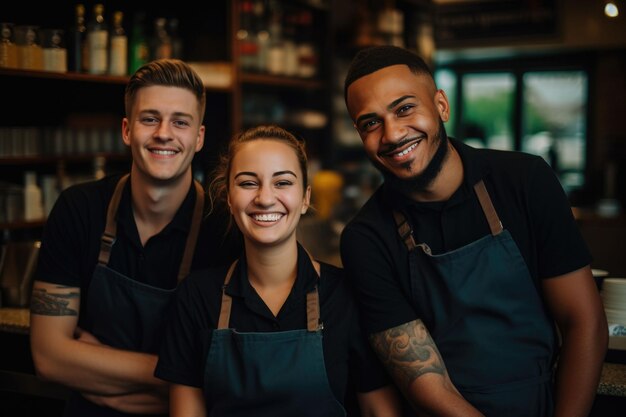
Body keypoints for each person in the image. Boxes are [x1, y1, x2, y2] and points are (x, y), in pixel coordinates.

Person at [340, 45, 608, 417]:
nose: (393, 133)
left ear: (441, 106)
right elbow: (425, 380)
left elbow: (584, 321)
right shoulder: (366, 238)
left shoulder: (526, 181)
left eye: (404, 108)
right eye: (371, 122)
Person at [29, 59, 240, 417]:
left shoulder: (224, 229)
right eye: (149, 118)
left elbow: (225, 377)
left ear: (199, 137)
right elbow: (49, 358)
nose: (163, 133)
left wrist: (94, 370)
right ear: (127, 130)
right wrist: (172, 380)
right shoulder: (79, 209)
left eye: (180, 122)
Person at [155, 125, 402, 417]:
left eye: (282, 182)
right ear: (229, 199)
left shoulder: (346, 295)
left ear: (305, 198)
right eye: (248, 183)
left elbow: (379, 410)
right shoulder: (196, 298)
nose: (265, 198)